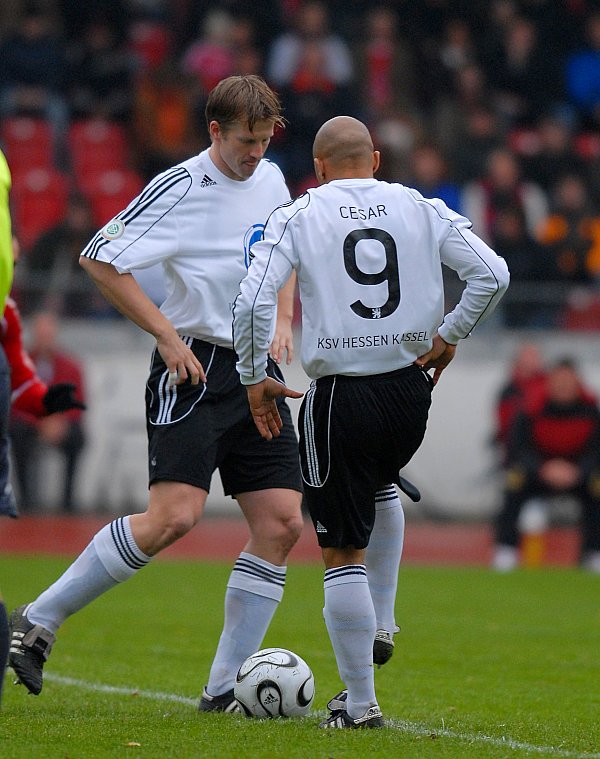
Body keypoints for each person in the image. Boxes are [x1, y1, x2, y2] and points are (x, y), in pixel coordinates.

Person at [8, 75, 304, 705]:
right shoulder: (180, 187)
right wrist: (168, 336)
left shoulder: (273, 178)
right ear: (215, 131)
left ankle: (223, 689)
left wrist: (283, 316)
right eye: (246, 141)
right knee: (175, 517)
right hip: (194, 367)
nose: (256, 153)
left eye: (265, 140)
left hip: (258, 373)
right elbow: (98, 256)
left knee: (281, 524)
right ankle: (39, 618)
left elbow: (284, 251)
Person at [233, 115, 509, 728]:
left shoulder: (300, 213)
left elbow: (253, 299)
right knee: (380, 482)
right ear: (376, 160)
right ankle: (382, 619)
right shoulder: (421, 206)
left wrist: (254, 376)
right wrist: (449, 334)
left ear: (321, 167)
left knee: (340, 550)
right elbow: (493, 274)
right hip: (411, 390)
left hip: (342, 394)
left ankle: (360, 706)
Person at [493, 358, 600, 573]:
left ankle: (593, 554)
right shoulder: (531, 408)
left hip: (577, 474)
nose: (563, 386)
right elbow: (518, 448)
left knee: (597, 490)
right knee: (513, 484)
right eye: (558, 380)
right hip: (538, 472)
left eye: (568, 381)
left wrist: (578, 471)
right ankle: (506, 551)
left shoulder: (590, 410)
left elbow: (596, 451)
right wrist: (543, 469)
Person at [10, 310, 86, 513]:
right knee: (17, 433)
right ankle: (26, 502)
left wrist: (58, 421)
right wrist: (41, 422)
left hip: (61, 424)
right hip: (32, 423)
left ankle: (67, 503)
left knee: (78, 436)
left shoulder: (70, 366)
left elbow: (78, 402)